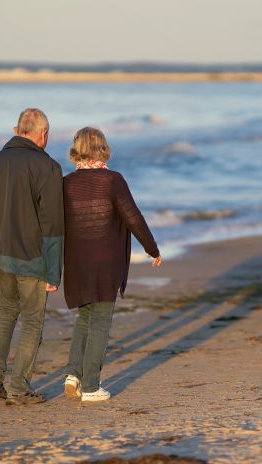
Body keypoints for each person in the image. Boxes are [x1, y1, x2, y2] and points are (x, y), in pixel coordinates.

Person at [0, 108, 64, 406]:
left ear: (17, 129)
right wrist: (53, 271)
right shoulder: (47, 166)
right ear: (43, 134)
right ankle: (19, 389)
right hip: (30, 256)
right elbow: (53, 223)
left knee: (6, 312)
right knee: (32, 320)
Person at [63, 127, 162, 402]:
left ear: (77, 149)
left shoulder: (66, 183)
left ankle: (73, 375)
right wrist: (152, 248)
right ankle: (91, 387)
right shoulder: (113, 180)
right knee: (100, 322)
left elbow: (55, 225)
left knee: (85, 316)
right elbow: (133, 217)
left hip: (76, 261)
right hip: (106, 260)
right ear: (103, 148)